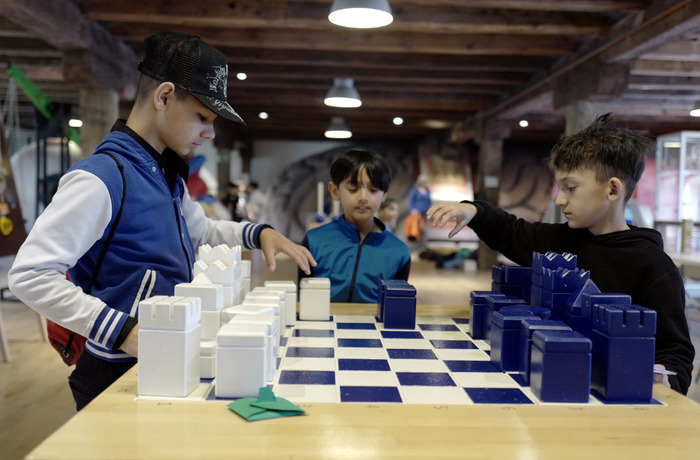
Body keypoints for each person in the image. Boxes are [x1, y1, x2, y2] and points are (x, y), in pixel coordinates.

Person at [8, 31, 316, 410]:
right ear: (164, 97)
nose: (210, 132)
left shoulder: (166, 175)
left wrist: (259, 233)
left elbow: (201, 232)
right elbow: (31, 274)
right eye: (203, 117)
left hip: (163, 358)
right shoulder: (101, 178)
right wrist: (124, 332)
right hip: (116, 371)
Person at [427, 113, 695, 395]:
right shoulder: (561, 240)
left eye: (571, 188)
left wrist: (662, 380)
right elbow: (512, 232)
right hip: (549, 384)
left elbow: (675, 355)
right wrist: (475, 211)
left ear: (613, 189)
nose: (560, 199)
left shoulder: (654, 266)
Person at [299, 148, 411, 303]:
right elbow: (303, 301)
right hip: (321, 319)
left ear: (384, 195)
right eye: (353, 188)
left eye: (373, 190)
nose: (363, 197)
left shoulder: (399, 252)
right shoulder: (314, 241)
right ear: (335, 191)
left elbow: (396, 307)